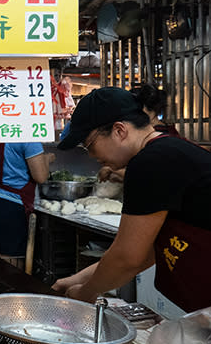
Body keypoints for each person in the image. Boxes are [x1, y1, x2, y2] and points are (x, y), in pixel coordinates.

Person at [52, 87, 211, 313]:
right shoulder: (168, 150)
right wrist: (77, 279)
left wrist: (85, 292)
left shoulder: (150, 162)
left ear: (119, 130)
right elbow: (146, 250)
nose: (92, 156)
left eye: (89, 145)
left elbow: (128, 257)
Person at [0, 143, 53, 258]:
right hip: (10, 205)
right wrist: (46, 159)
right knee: (10, 262)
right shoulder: (27, 134)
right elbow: (40, 176)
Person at [98, 84, 179, 183]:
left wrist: (113, 169)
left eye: (135, 108)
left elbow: (149, 172)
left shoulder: (156, 136)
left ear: (147, 109)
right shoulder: (163, 130)